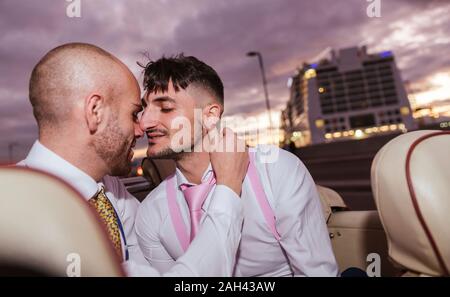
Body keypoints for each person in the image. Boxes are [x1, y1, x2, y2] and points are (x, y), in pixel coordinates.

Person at [17, 43, 248, 276]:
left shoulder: (107, 190)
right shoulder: (24, 216)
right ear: (95, 111)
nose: (142, 128)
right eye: (133, 113)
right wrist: (227, 188)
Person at [135, 54, 339, 276]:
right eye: (145, 108)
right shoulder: (150, 212)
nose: (144, 122)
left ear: (210, 116)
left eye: (165, 108)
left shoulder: (276, 170)